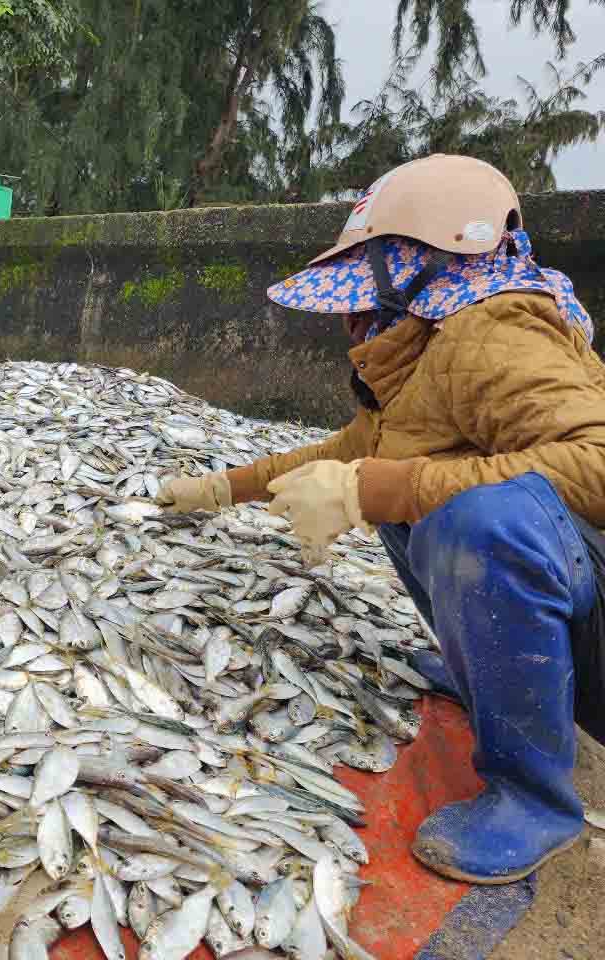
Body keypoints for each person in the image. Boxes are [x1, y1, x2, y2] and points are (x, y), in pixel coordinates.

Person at [156, 154, 605, 886]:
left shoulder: (496, 333)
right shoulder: (430, 348)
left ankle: (536, 799)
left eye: (375, 282)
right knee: (397, 484)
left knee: (470, 515)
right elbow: (348, 450)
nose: (359, 317)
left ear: (424, 268)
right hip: (579, 600)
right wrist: (216, 490)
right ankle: (490, 672)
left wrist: (384, 488)